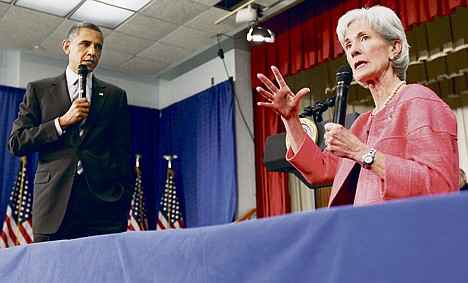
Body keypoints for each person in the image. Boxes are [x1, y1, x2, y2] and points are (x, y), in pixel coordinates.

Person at [256, 6, 459, 207]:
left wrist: (362, 153)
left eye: (364, 38)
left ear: (394, 48)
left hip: (406, 233)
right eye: (348, 44)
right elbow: (321, 170)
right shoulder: (363, 123)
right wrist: (291, 119)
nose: (353, 50)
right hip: (363, 233)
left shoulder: (418, 100)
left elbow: (438, 184)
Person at [7, 22, 134, 241]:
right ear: (67, 46)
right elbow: (17, 143)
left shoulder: (115, 96)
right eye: (85, 44)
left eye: (98, 47)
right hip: (53, 205)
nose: (92, 52)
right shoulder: (39, 90)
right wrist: (61, 122)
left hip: (103, 206)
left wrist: (121, 197)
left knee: (101, 275)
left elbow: (123, 153)